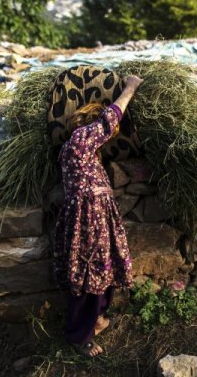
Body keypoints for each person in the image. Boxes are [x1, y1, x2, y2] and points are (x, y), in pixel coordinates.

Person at [53, 75, 144, 357]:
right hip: (89, 218)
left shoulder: (78, 151)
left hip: (95, 216)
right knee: (92, 271)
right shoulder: (81, 139)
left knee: (101, 269)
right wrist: (130, 87)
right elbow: (110, 118)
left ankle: (97, 319)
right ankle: (79, 336)